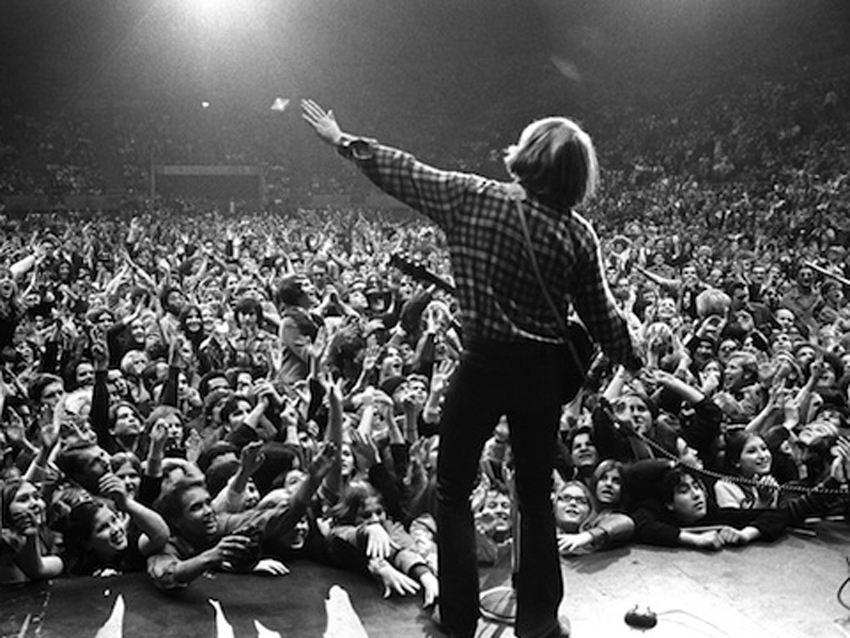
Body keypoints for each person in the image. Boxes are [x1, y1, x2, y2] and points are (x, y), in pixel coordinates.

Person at [302, 99, 642, 638]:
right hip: (538, 376)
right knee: (533, 496)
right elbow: (603, 318)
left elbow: (405, 171)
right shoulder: (578, 235)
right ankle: (538, 619)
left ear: (526, 156)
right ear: (579, 176)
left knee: (453, 492)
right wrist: (635, 360)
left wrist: (343, 140)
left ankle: (458, 619)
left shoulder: (474, 196)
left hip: (481, 364)